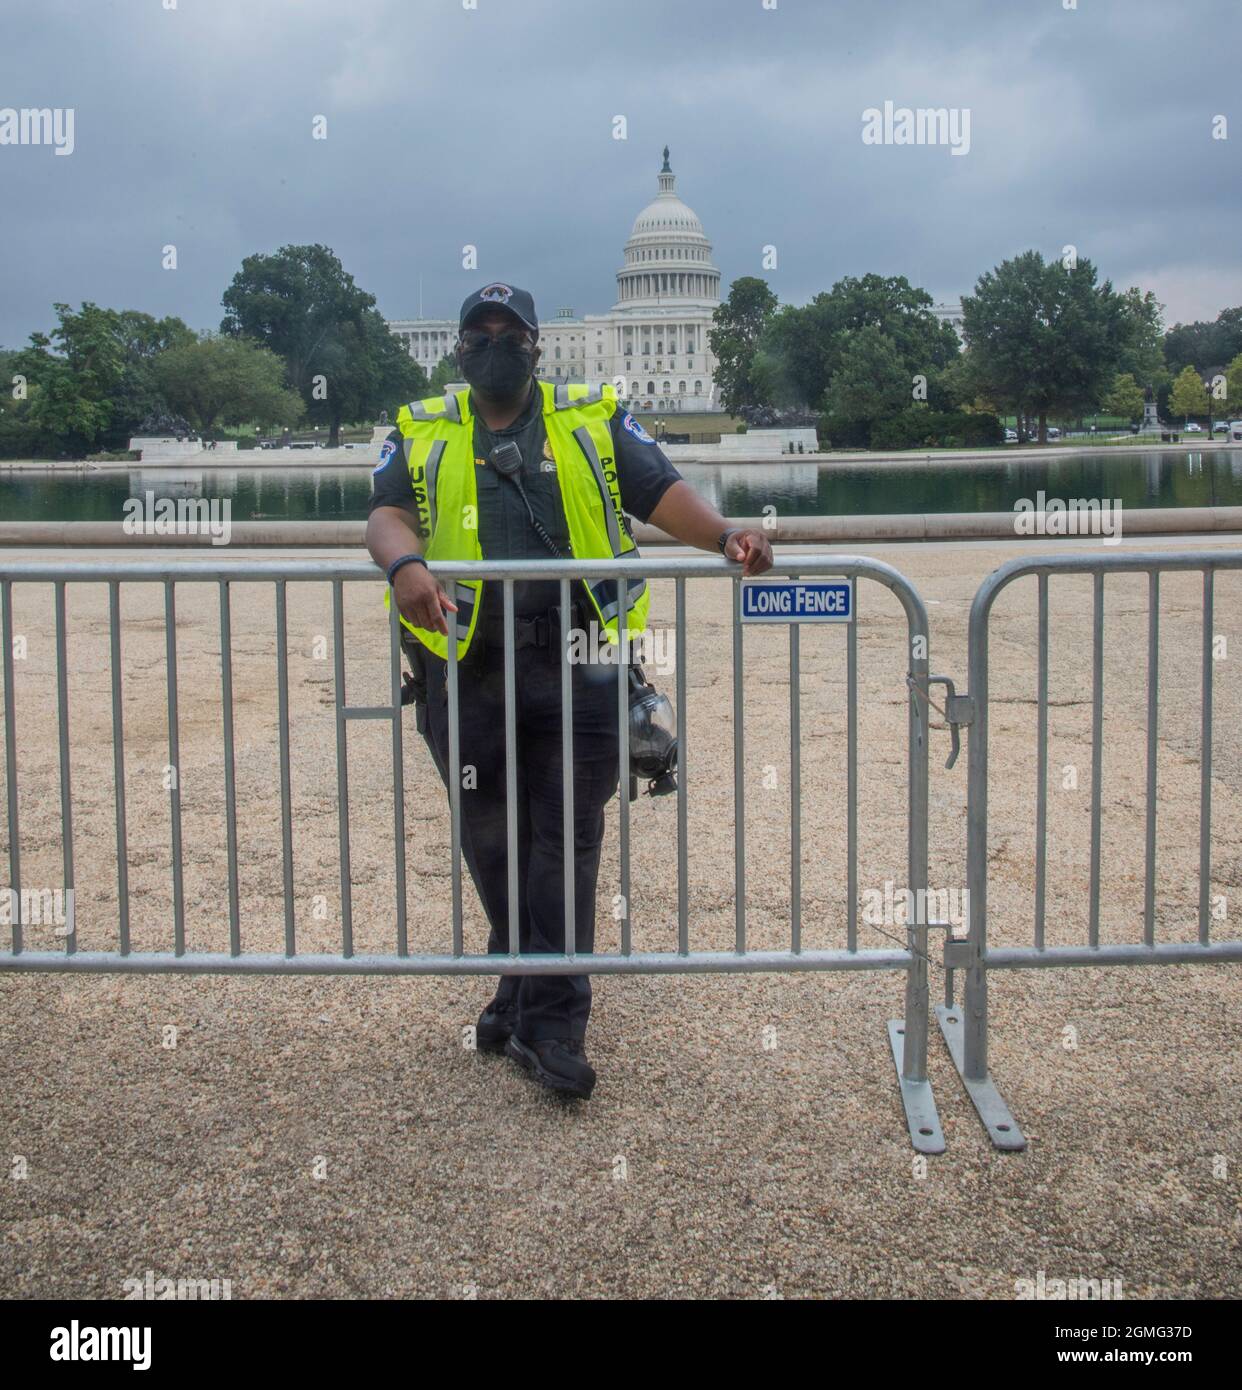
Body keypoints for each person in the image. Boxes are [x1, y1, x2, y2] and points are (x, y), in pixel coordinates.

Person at [366, 282, 773, 1100]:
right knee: (490, 839)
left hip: (580, 657)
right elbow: (386, 513)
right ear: (458, 349)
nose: (494, 344)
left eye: (509, 332)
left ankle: (555, 1021)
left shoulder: (591, 418)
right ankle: (518, 986)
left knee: (564, 839)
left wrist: (724, 535)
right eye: (478, 332)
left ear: (536, 346)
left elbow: (661, 493)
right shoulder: (423, 427)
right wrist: (403, 563)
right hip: (465, 661)